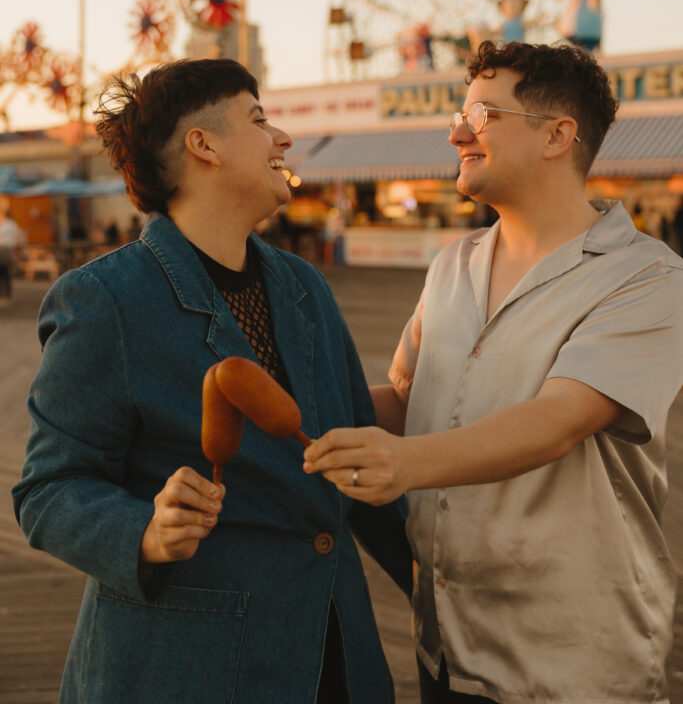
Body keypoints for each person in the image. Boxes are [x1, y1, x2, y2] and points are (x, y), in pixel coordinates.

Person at [12, 58, 411, 704]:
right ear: (203, 145)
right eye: (259, 120)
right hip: (192, 668)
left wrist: (432, 582)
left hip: (335, 654)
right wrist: (144, 530)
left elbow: (357, 452)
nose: (282, 138)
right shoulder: (103, 301)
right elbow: (48, 490)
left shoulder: (305, 288)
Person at [304, 40, 683, 704]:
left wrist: (406, 463)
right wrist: (299, 404)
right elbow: (405, 399)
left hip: (570, 660)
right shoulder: (452, 264)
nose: (455, 132)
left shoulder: (648, 277)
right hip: (444, 641)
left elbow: (560, 419)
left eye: (481, 115)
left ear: (557, 135)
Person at [0, 197, 27, 307]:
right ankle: (5, 297)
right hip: (6, 250)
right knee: (4, 274)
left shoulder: (9, 225)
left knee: (4, 273)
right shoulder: (9, 224)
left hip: (5, 250)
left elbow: (18, 238)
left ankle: (5, 297)